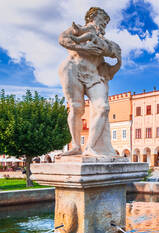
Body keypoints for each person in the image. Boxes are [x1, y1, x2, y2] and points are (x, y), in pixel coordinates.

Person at [57, 7, 121, 157]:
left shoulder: (104, 41)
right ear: (91, 16)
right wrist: (82, 47)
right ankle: (76, 146)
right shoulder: (78, 29)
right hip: (73, 69)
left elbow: (112, 56)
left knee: (103, 107)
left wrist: (115, 57)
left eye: (107, 21)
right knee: (76, 108)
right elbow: (62, 39)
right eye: (103, 18)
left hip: (93, 75)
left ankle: (91, 147)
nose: (105, 22)